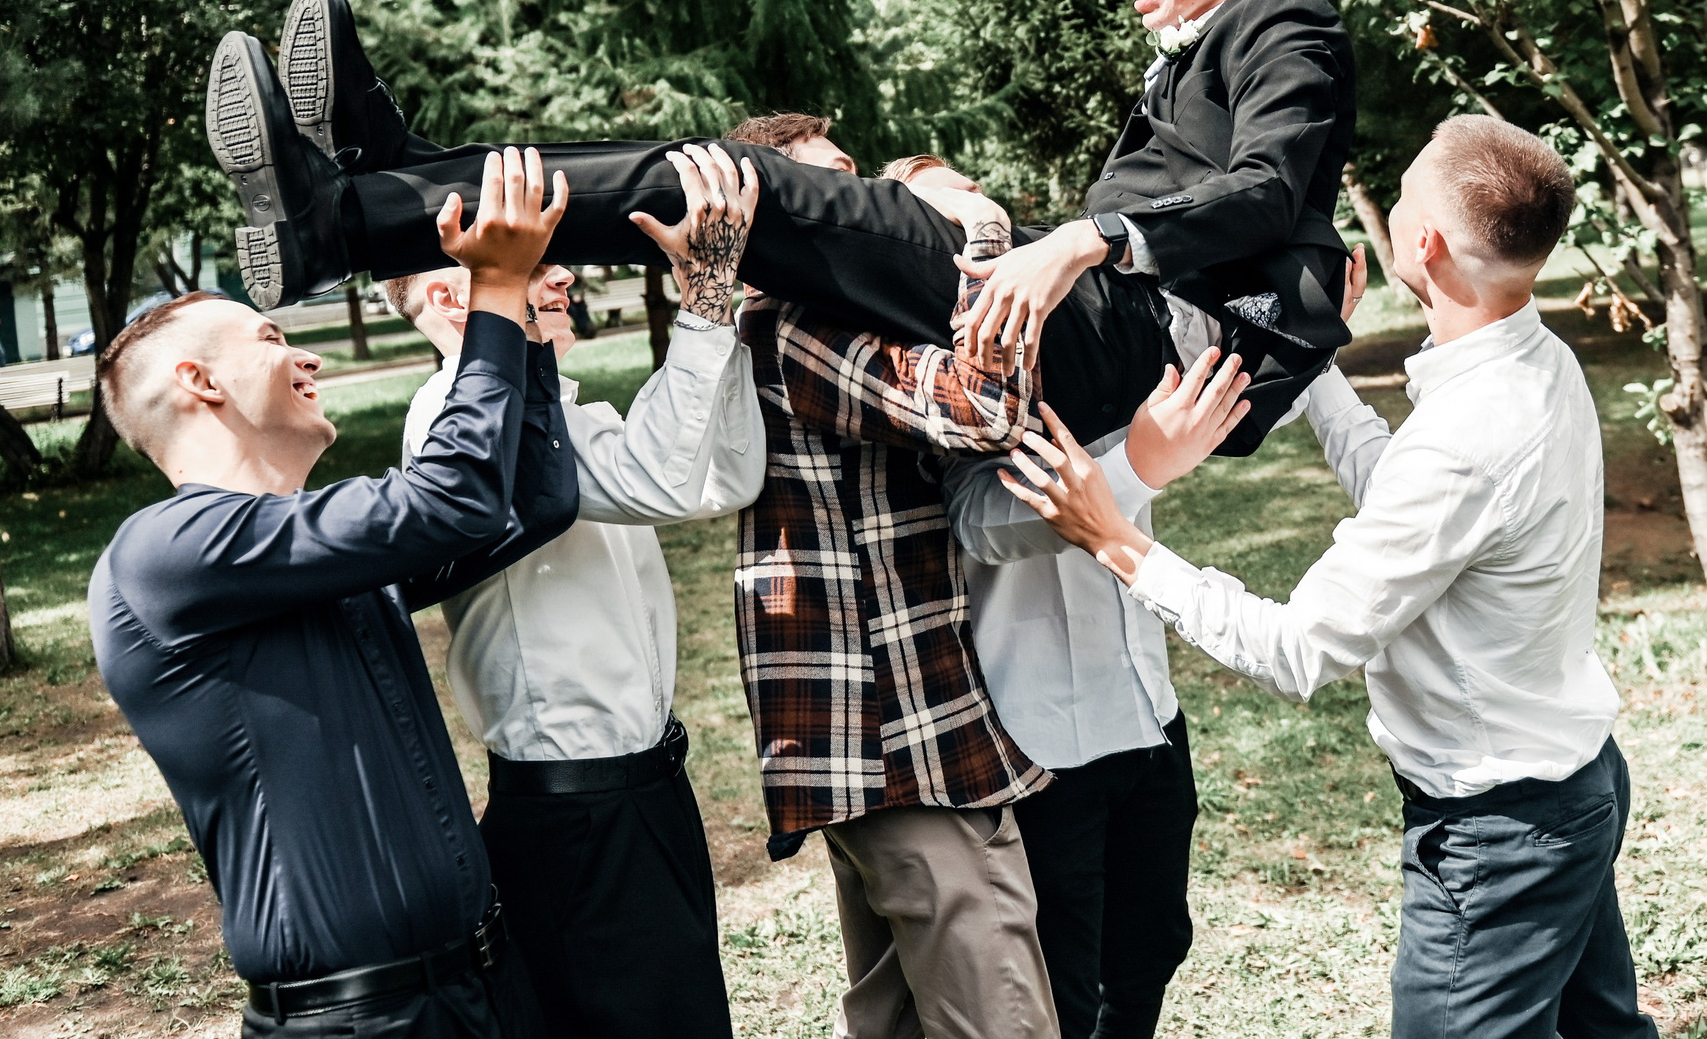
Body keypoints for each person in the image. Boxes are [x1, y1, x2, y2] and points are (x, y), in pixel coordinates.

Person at [209, 0, 1355, 457]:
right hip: (1100, 325)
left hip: (1127, 335)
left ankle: (353, 221)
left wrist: (1079, 240)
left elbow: (1264, 191)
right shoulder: (1211, 43)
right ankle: (397, 180)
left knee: (733, 186)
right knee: (709, 174)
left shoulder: (1282, 15)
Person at [1002, 116, 1659, 1039]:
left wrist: (1117, 539)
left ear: (1421, 242)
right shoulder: (1534, 362)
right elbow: (1413, 495)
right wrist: (1309, 355)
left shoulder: (1468, 436)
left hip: (1498, 831)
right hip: (1571, 781)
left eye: (1401, 197)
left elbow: (1298, 649)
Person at [88, 96, 576, 1039]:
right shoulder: (163, 555)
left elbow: (535, 501)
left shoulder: (310, 546)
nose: (304, 352)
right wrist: (495, 297)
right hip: (357, 1022)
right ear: (200, 382)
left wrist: (533, 326)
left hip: (484, 988)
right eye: (271, 339)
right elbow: (455, 498)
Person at [385, 142, 766, 1039]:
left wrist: (727, 312)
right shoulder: (458, 415)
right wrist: (702, 299)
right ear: (452, 296)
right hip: (576, 814)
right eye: (537, 264)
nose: (562, 281)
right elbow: (664, 481)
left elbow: (723, 477)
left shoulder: (569, 413)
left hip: (643, 790)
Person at [942, 234, 1365, 1039]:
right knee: (1058, 976)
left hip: (1148, 714)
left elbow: (1225, 396)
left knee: (1153, 947)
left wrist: (1308, 335)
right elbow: (978, 520)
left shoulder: (1102, 330)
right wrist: (1136, 466)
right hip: (1040, 744)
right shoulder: (954, 375)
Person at [728, 121, 1057, 1039]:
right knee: (1002, 1020)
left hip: (883, 737)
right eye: (834, 188)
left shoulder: (811, 315)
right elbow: (983, 405)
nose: (870, 206)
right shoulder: (797, 324)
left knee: (893, 1016)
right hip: (902, 742)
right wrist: (983, 227)